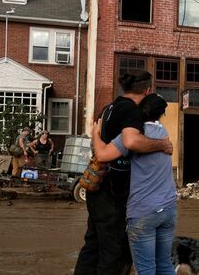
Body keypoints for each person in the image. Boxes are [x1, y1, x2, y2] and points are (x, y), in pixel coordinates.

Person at [74, 70, 172, 275]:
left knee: (92, 246)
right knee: (114, 252)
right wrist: (162, 144)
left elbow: (101, 141)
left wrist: (95, 136)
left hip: (97, 190)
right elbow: (131, 141)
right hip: (113, 194)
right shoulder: (131, 112)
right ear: (147, 91)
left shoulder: (109, 107)